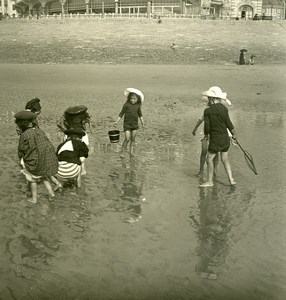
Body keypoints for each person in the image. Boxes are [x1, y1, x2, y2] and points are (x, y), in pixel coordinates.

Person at [15, 110, 61, 204]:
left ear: (21, 124)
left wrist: (21, 160)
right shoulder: (39, 131)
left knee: (33, 180)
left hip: (34, 162)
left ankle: (34, 199)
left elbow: (22, 149)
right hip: (45, 159)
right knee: (44, 176)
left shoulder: (25, 135)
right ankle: (51, 193)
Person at [198, 86, 236, 188]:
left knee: (209, 159)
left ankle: (210, 181)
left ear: (211, 99)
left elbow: (207, 127)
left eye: (208, 98)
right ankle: (231, 180)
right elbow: (229, 124)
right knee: (225, 159)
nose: (207, 100)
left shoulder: (207, 111)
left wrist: (206, 136)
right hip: (225, 139)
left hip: (216, 139)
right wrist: (234, 135)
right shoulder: (224, 109)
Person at [192, 96, 232, 177]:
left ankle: (214, 171)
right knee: (204, 151)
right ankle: (201, 171)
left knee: (213, 153)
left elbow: (226, 126)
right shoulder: (208, 111)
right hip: (208, 133)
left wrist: (230, 136)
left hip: (215, 135)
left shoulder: (221, 112)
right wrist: (195, 128)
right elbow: (201, 119)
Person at [113, 88, 144, 157]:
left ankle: (131, 152)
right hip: (127, 124)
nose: (132, 100)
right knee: (127, 138)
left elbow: (140, 115)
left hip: (135, 125)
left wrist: (142, 123)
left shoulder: (138, 106)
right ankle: (122, 151)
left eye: (134, 99)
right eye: (131, 98)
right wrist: (116, 122)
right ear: (129, 98)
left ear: (138, 99)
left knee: (133, 139)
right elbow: (121, 114)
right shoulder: (126, 105)